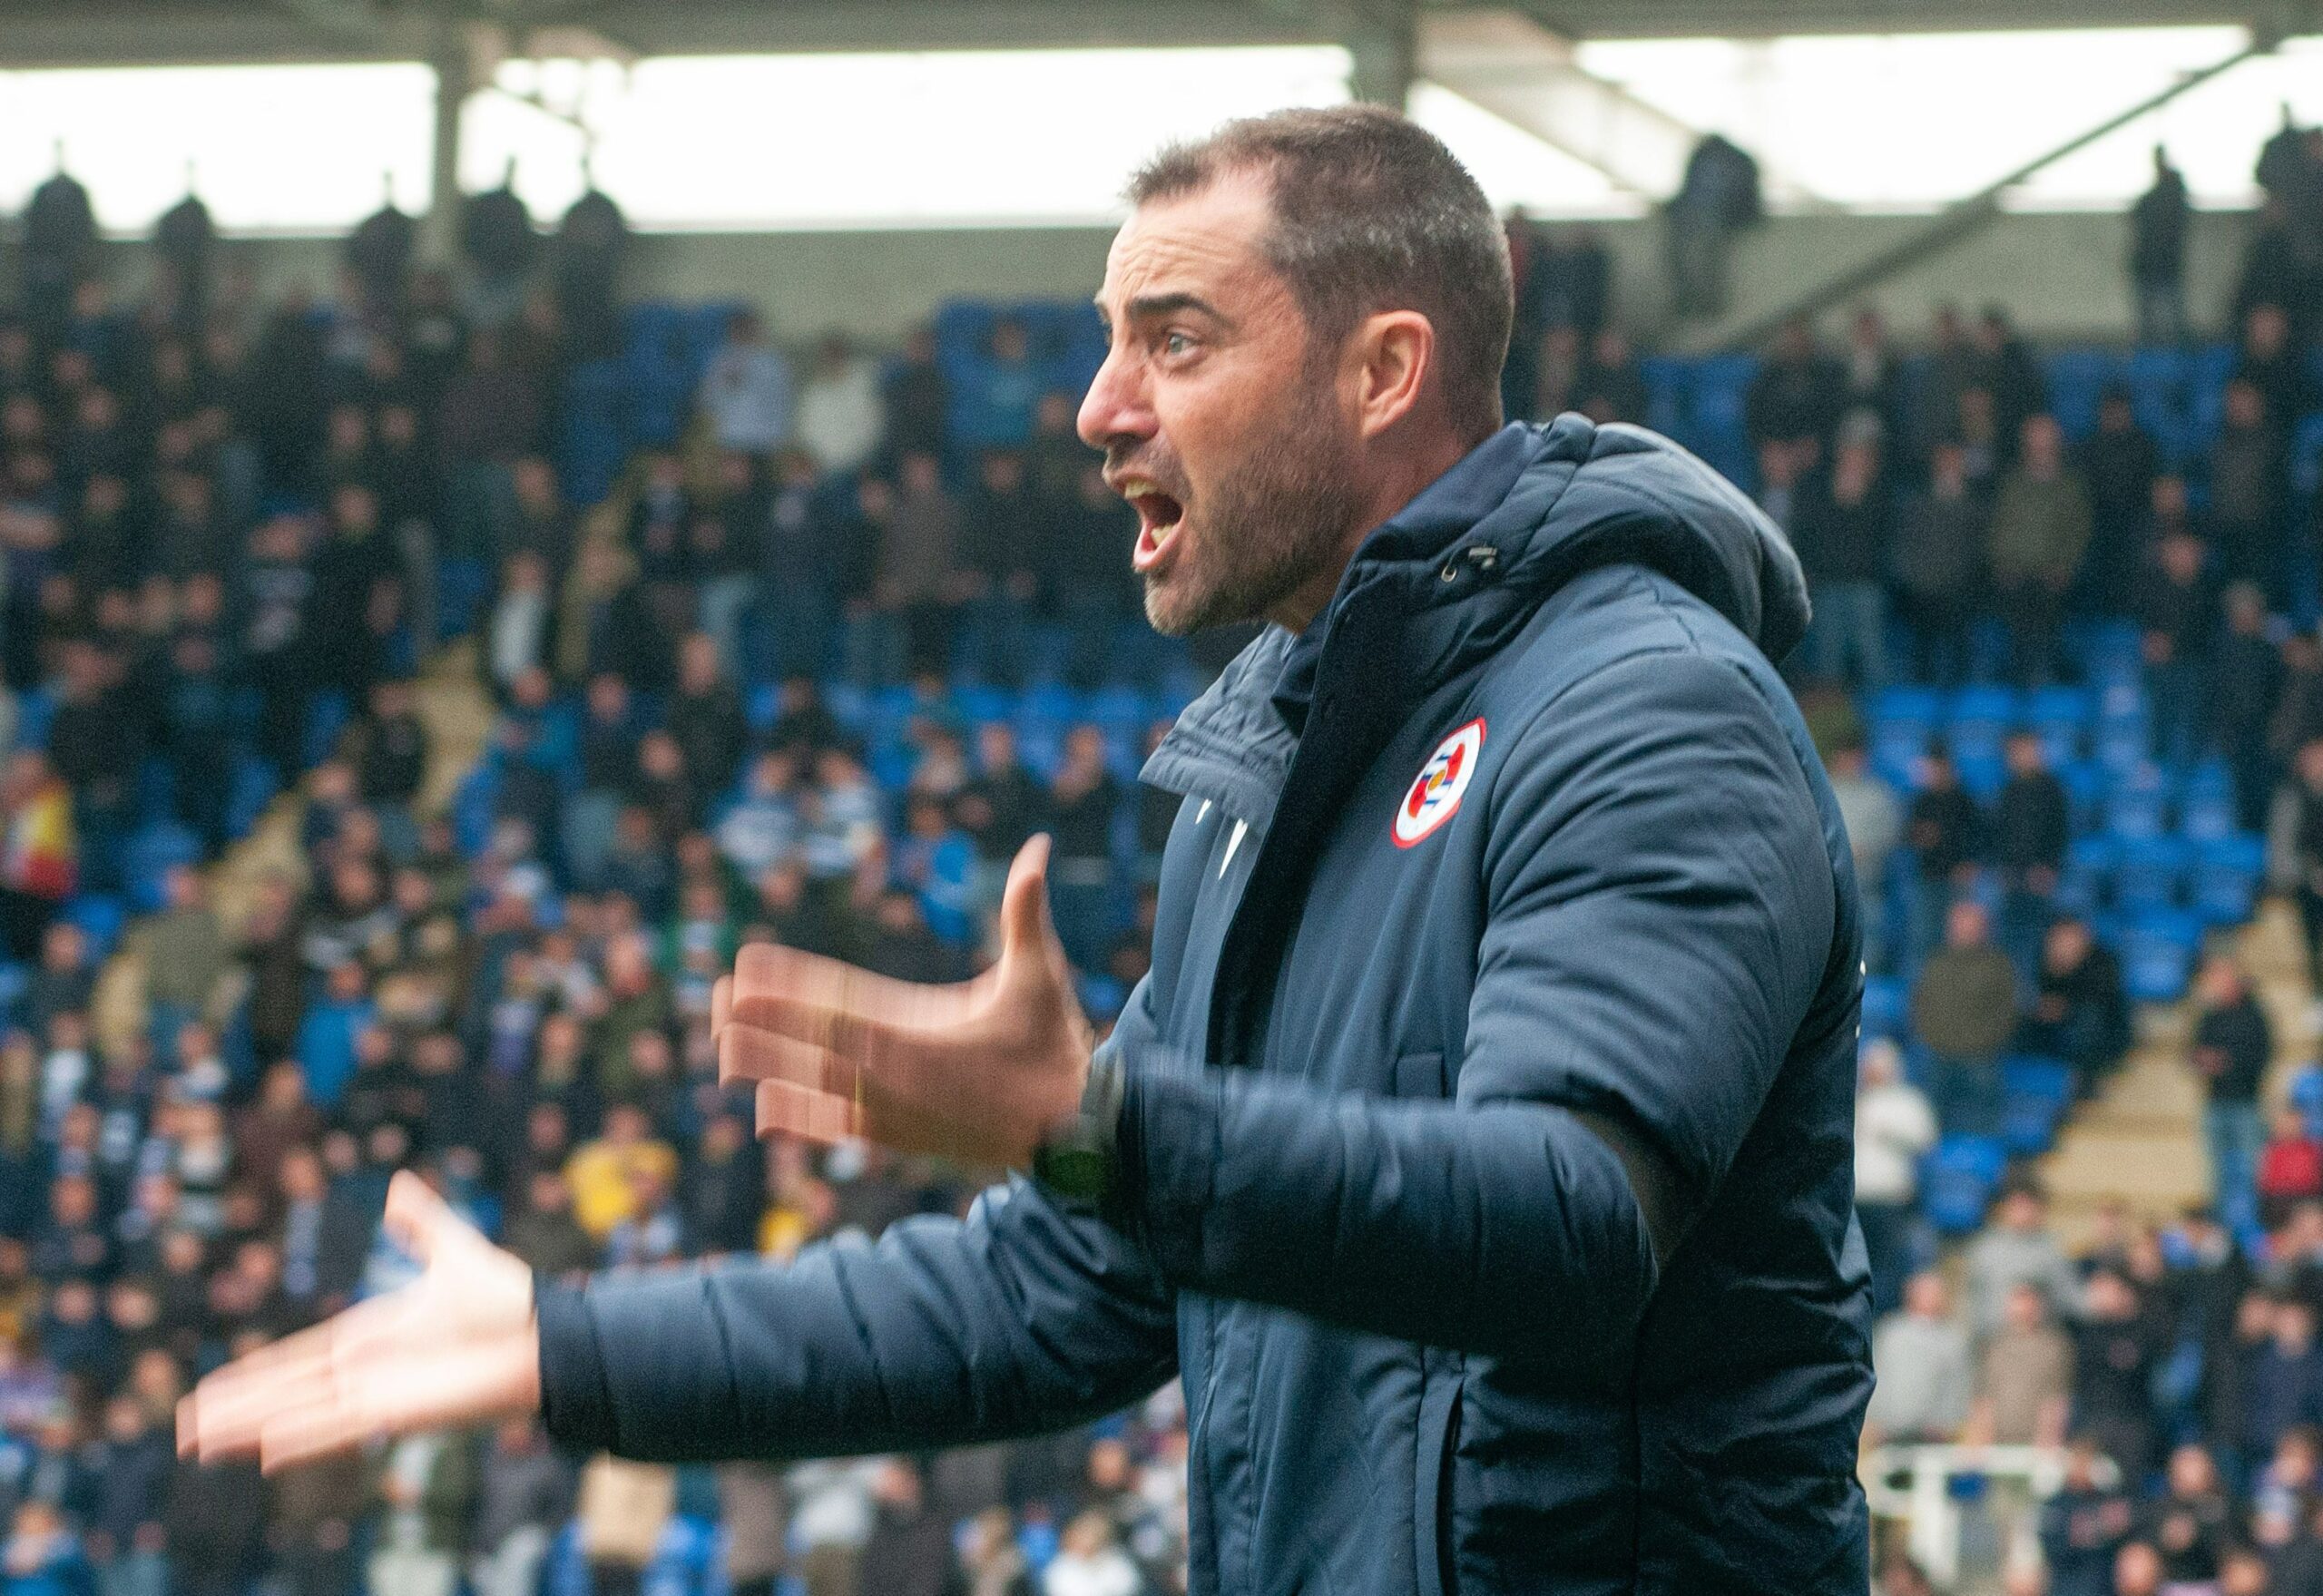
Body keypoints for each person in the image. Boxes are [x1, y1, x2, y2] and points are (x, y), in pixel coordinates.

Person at [185, 105, 1876, 1593]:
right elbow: (1062, 1279)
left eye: (1176, 341)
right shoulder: (1271, 772)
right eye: (1107, 342)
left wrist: (1101, 1134)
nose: (1096, 407)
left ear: (1383, 371)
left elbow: (1569, 1226)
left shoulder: (1647, 709)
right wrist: (565, 1341)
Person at [2191, 952, 2273, 1223]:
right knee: (2215, 1174)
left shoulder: (2254, 1015)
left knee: (2251, 1172)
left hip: (2247, 1103)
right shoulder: (2210, 1015)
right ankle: (2220, 1226)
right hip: (2215, 1102)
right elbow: (2191, 1052)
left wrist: (2226, 1062)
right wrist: (2203, 1061)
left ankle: (2252, 1223)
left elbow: (2261, 1056)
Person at [1856, 1040, 1936, 1315]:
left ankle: (1884, 1316)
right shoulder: (1856, 1099)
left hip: (1890, 1199)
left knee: (1886, 1267)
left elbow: (1925, 1140)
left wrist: (1890, 1131)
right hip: (1856, 1200)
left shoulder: (1908, 1101)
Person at [2129, 146, 2191, 348]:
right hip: (2153, 262)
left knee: (2170, 313)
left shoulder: (2170, 191)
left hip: (2162, 262)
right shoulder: (2165, 193)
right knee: (2154, 315)